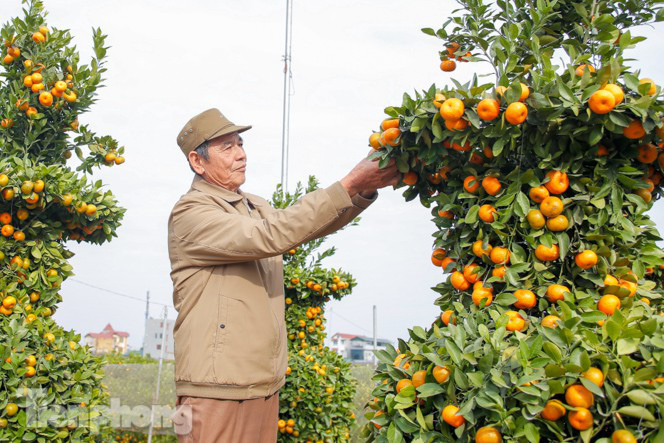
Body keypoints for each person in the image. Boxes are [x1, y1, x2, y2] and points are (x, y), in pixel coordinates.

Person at [168, 108, 400, 443]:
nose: (241, 154)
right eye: (227, 147)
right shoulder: (191, 212)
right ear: (198, 161)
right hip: (215, 388)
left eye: (240, 144)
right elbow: (270, 234)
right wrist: (350, 182)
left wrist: (360, 191)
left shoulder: (254, 205)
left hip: (263, 383)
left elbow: (304, 226)